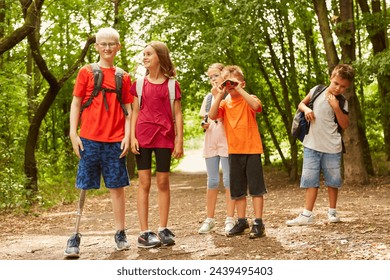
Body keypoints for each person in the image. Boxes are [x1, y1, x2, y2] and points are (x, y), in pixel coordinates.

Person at [65, 27, 133, 256]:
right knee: (84, 186)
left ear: (118, 47)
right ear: (96, 47)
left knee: (117, 188)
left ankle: (120, 233)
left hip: (115, 141)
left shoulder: (123, 76)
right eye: (102, 44)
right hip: (89, 140)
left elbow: (128, 110)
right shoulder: (86, 72)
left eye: (111, 44)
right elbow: (76, 103)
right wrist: (73, 133)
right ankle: (74, 236)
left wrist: (127, 135)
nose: (106, 48)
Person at [286, 64, 355, 226]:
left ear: (348, 87)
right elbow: (301, 104)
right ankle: (307, 214)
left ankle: (332, 212)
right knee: (310, 180)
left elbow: (345, 124)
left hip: (332, 147)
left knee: (333, 181)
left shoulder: (342, 102)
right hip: (311, 145)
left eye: (343, 86)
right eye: (336, 83)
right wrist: (306, 110)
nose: (338, 88)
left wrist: (336, 108)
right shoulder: (317, 90)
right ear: (331, 77)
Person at [130, 41, 184, 248]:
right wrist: (133, 137)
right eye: (143, 54)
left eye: (149, 54)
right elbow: (135, 111)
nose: (145, 57)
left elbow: (177, 113)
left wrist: (179, 140)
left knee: (163, 182)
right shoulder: (139, 84)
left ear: (160, 57)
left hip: (164, 137)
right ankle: (144, 233)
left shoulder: (172, 85)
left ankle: (163, 228)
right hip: (142, 136)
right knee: (144, 183)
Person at [208, 65, 267, 239]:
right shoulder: (225, 103)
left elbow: (256, 106)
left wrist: (239, 89)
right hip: (234, 151)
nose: (231, 86)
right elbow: (212, 115)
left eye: (234, 82)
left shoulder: (249, 99)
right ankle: (242, 221)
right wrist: (219, 93)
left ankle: (258, 222)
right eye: (228, 83)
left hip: (252, 149)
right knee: (238, 189)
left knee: (256, 189)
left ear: (243, 83)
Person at [198, 63, 235, 235]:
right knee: (212, 181)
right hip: (211, 141)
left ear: (224, 76)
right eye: (210, 77)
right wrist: (204, 124)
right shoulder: (208, 98)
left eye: (215, 75)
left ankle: (230, 219)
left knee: (228, 181)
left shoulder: (230, 95)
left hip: (227, 142)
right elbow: (205, 118)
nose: (212, 79)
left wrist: (218, 96)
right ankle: (210, 219)